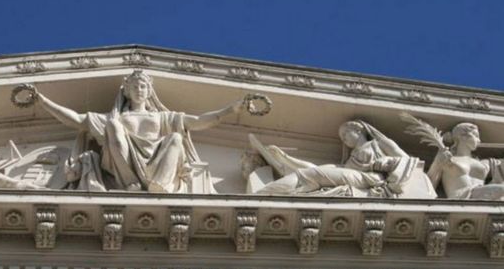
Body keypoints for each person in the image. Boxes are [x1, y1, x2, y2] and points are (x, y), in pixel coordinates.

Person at [34, 70, 246, 193]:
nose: (139, 90)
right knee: (114, 126)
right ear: (126, 91)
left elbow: (199, 121)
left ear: (149, 91)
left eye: (143, 86)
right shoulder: (114, 119)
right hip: (124, 170)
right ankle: (131, 181)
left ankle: (159, 185)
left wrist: (231, 110)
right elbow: (76, 120)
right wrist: (42, 101)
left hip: (157, 168)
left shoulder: (163, 118)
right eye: (134, 87)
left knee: (175, 138)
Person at [250, 120, 418, 197]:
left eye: (345, 134)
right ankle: (268, 193)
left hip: (369, 179)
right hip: (356, 177)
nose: (343, 139)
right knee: (311, 173)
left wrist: (385, 164)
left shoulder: (379, 144)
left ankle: (264, 194)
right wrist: (285, 158)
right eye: (342, 136)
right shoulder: (350, 160)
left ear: (358, 129)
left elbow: (408, 161)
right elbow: (319, 168)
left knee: (312, 175)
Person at [426, 123, 504, 200]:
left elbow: (501, 166)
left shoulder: (483, 163)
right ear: (462, 137)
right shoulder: (449, 160)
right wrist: (437, 162)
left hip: (481, 196)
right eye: (476, 136)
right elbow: (429, 185)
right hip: (460, 197)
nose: (479, 140)